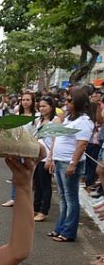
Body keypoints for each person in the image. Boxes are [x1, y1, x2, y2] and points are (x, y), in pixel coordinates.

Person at [48, 88, 93, 242]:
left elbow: (82, 144)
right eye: (66, 100)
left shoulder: (84, 121)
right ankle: (60, 228)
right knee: (63, 197)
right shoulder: (69, 119)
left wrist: (73, 163)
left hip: (69, 162)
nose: (66, 103)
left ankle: (68, 231)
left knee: (70, 198)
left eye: (69, 100)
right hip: (60, 160)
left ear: (78, 102)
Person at [33, 96, 60, 221]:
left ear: (51, 106)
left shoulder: (55, 120)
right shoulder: (39, 120)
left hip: (47, 156)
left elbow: (55, 140)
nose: (42, 108)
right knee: (37, 184)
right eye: (40, 106)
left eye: (44, 106)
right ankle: (35, 208)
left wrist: (51, 158)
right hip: (37, 156)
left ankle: (43, 211)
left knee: (45, 184)